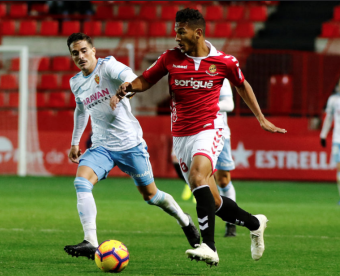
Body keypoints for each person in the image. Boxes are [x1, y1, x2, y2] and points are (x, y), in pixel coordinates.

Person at [110, 8, 287, 266]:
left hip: (210, 128)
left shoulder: (224, 62)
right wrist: (130, 87)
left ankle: (209, 247)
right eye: (175, 31)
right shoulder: (170, 58)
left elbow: (242, 85)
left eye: (181, 32)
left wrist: (261, 118)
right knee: (213, 201)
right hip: (181, 136)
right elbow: (146, 80)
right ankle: (255, 223)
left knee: (197, 176)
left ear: (198, 32)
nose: (176, 37)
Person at [63, 33, 200, 260]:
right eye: (75, 53)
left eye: (84, 50)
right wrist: (75, 141)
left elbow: (129, 76)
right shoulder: (75, 82)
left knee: (152, 196)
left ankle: (184, 220)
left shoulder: (108, 67)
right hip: (101, 147)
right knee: (81, 182)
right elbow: (81, 110)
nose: (80, 56)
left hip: (130, 145)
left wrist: (125, 87)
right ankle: (90, 241)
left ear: (94, 51)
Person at [176, 78, 238, 237]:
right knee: (200, 177)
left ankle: (231, 223)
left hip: (219, 132)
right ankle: (207, 233)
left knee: (223, 180)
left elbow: (229, 104)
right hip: (194, 133)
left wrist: (204, 106)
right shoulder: (186, 77)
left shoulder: (218, 74)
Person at [320, 78, 340, 205]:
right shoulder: (333, 100)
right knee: (339, 170)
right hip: (338, 139)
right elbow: (328, 118)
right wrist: (323, 134)